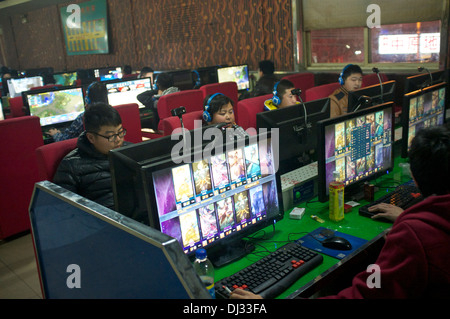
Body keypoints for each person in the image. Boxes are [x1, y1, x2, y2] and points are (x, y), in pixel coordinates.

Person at [231, 125, 450, 299]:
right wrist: (409, 219)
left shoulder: (414, 236)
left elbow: (365, 296)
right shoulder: (424, 226)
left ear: (414, 174)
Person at [53, 103, 130, 210]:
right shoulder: (71, 166)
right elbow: (64, 211)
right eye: (111, 136)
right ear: (91, 138)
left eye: (120, 132)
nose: (118, 139)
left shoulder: (131, 151)